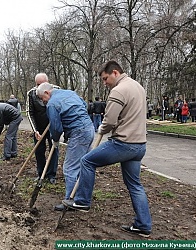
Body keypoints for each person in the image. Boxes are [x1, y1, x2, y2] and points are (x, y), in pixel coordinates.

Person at [62, 60, 152, 238]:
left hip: (123, 144)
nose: (105, 83)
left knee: (86, 161)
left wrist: (101, 130)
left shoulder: (118, 91)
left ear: (115, 73)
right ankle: (143, 225)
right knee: (134, 185)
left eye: (105, 78)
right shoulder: (138, 86)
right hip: (140, 144)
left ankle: (82, 201)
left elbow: (109, 121)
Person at [36, 82, 94, 211]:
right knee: (85, 164)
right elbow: (84, 105)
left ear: (47, 93)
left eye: (42, 99)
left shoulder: (52, 104)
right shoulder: (70, 93)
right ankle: (83, 197)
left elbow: (56, 128)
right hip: (89, 128)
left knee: (70, 168)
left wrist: (55, 140)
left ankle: (70, 200)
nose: (43, 102)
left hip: (78, 133)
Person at [26, 73, 59, 185]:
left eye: (41, 84)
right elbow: (29, 112)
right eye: (37, 84)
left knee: (54, 149)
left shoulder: (56, 90)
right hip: (39, 127)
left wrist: (56, 124)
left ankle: (51, 174)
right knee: (39, 150)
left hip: (52, 126)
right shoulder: (31, 93)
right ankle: (41, 173)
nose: (39, 87)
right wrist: (35, 130)